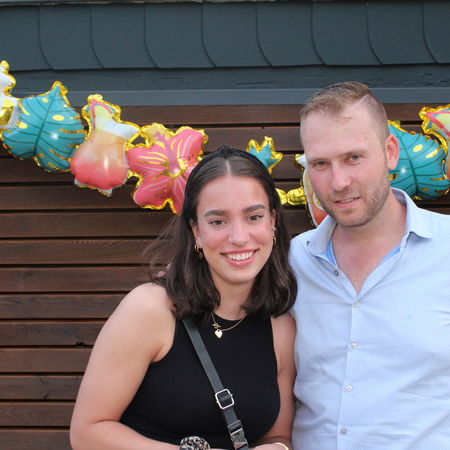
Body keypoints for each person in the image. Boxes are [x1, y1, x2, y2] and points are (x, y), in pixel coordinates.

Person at [70, 145, 297, 450]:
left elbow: (277, 437)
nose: (239, 237)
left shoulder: (280, 326)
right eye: (218, 221)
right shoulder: (150, 309)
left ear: (273, 222)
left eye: (253, 217)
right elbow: (87, 433)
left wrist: (277, 447)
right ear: (196, 232)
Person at [290, 81, 450, 449]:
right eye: (320, 164)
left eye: (353, 158)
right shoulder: (293, 260)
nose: (338, 182)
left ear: (390, 153)